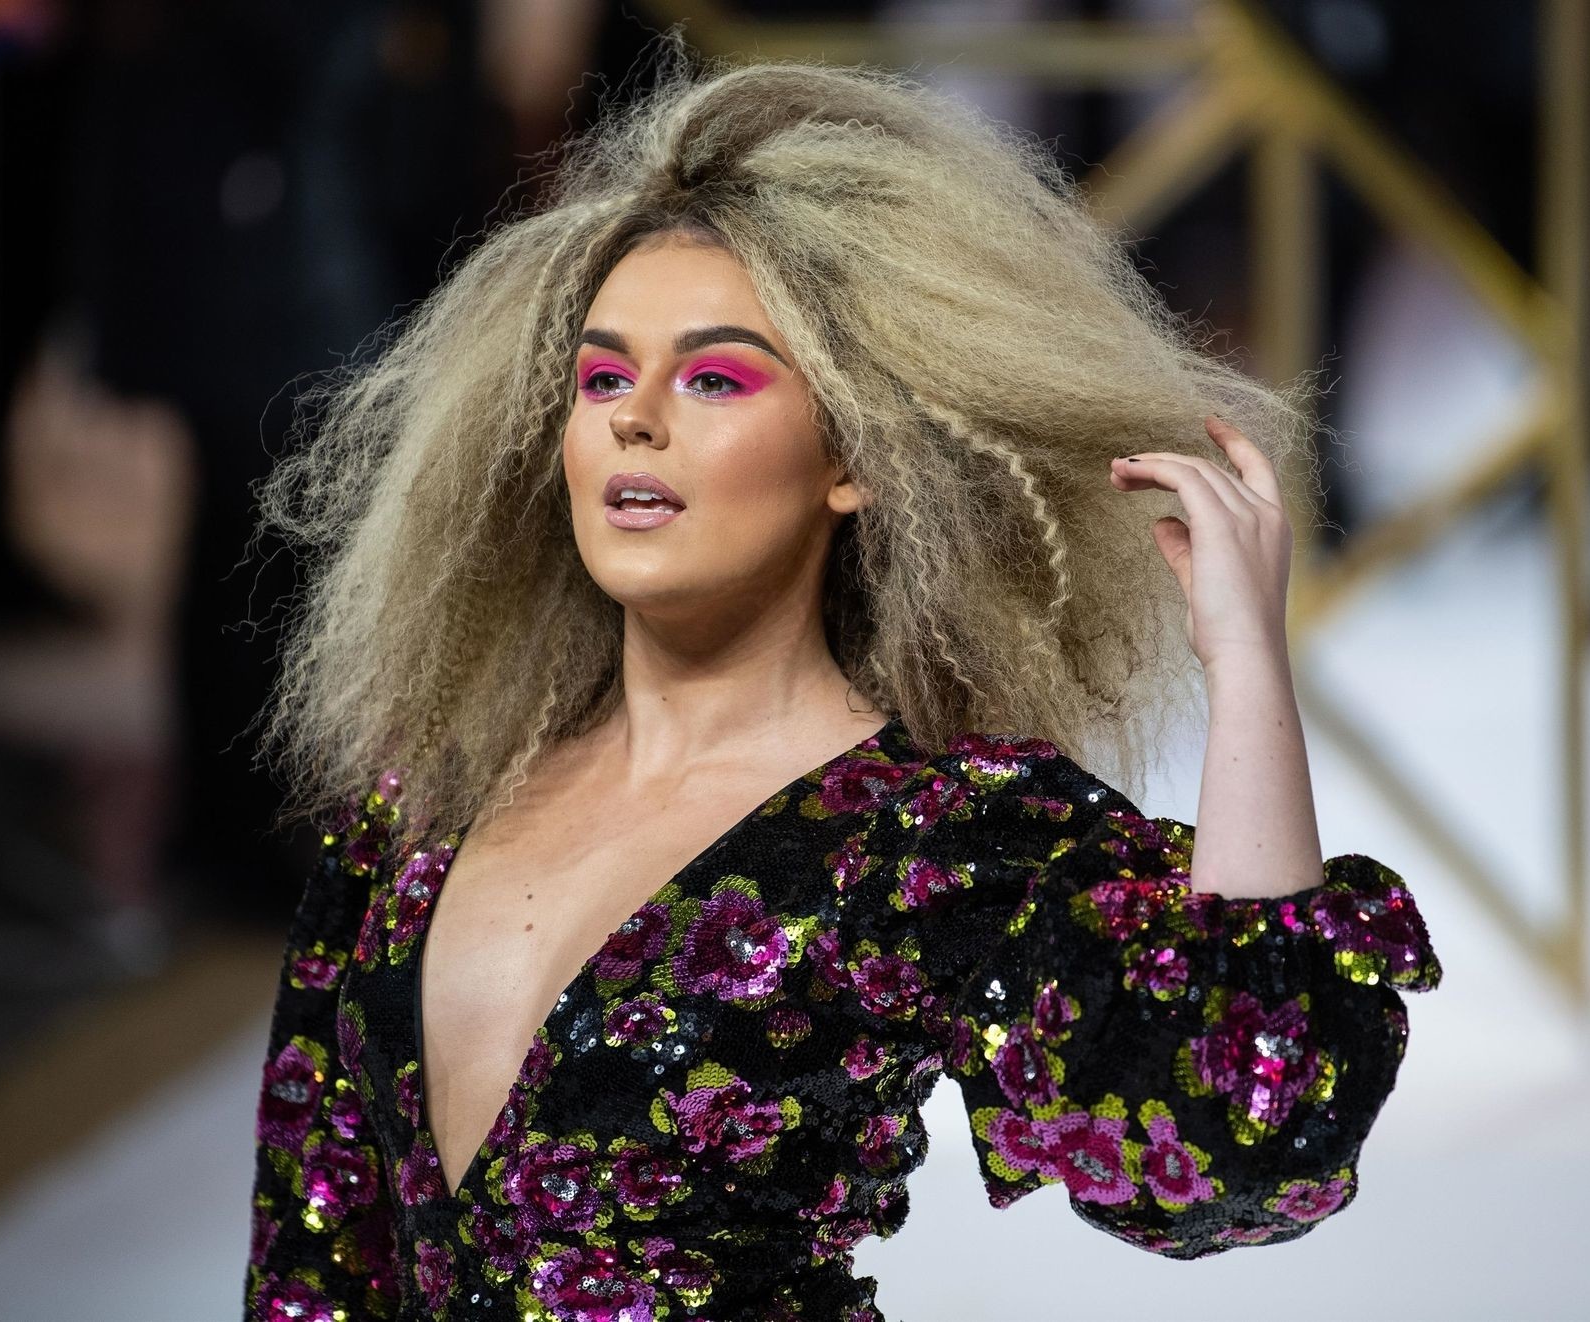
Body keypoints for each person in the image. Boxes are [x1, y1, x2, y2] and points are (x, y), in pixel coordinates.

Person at [241, 36, 1443, 1321]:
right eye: (602, 376)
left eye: (714, 376)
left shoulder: (936, 835)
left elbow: (1248, 1128)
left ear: (853, 460)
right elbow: (313, 1254)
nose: (636, 416)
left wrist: (1247, 663)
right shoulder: (427, 803)